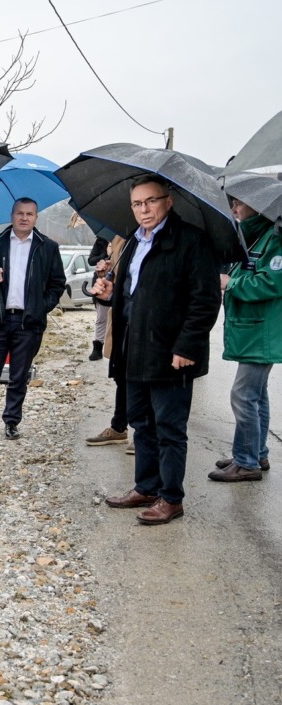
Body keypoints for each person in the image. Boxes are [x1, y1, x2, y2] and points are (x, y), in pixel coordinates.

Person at [93, 174, 221, 525]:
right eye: (137, 203)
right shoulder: (133, 242)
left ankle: (171, 498)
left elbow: (205, 300)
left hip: (172, 354)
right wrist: (108, 294)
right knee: (141, 424)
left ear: (169, 201)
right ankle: (146, 487)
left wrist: (187, 345)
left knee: (169, 428)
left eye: (151, 201)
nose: (144, 209)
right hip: (134, 350)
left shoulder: (191, 241)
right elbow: (134, 294)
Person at [0, 197, 65, 441]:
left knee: (19, 377)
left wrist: (41, 308)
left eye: (29, 214)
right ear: (12, 216)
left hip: (29, 323)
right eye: (20, 213)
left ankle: (11, 421)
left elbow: (57, 283)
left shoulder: (48, 247)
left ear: (36, 218)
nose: (24, 218)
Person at [209, 196, 280, 482]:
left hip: (263, 332)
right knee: (257, 395)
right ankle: (256, 453)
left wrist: (231, 283)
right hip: (255, 330)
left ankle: (246, 461)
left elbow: (272, 282)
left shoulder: (275, 239)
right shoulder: (257, 236)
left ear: (257, 203)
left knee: (243, 395)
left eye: (239, 203)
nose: (234, 209)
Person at [85, 233, 133, 451]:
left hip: (145, 319)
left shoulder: (154, 236)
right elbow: (117, 279)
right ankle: (118, 427)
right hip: (122, 316)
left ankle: (144, 436)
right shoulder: (120, 238)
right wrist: (105, 271)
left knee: (141, 377)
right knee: (122, 375)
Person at [87, 237, 110, 361]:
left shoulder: (128, 240)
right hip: (102, 282)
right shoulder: (101, 240)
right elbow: (91, 260)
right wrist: (105, 254)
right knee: (102, 317)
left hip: (121, 283)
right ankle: (98, 347)